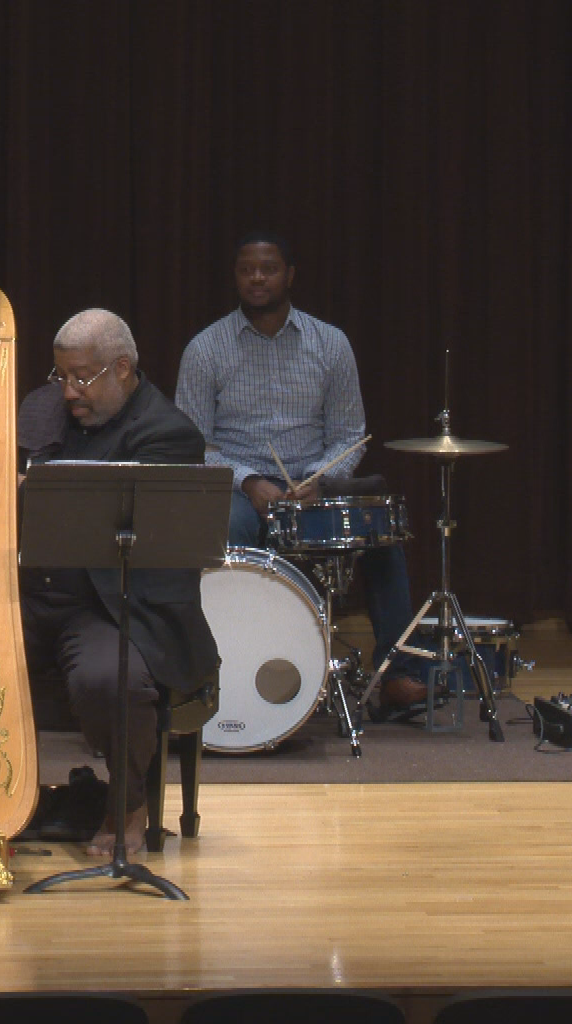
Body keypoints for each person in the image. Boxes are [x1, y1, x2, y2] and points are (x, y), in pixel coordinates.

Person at [175, 232, 424, 708]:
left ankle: (396, 673)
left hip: (314, 484)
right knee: (227, 530)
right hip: (239, 487)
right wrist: (250, 481)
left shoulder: (330, 344)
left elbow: (349, 434)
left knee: (381, 535)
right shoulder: (205, 349)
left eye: (268, 269)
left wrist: (321, 482)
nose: (257, 278)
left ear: (289, 275)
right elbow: (193, 443)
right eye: (247, 270)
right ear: (235, 277)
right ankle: (235, 668)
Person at [21, 308, 220, 856]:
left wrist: (31, 492)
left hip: (111, 603)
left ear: (123, 369)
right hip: (30, 594)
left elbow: (134, 542)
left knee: (109, 679)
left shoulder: (167, 434)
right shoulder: (43, 409)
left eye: (82, 377)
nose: (68, 392)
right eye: (61, 375)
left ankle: (128, 805)